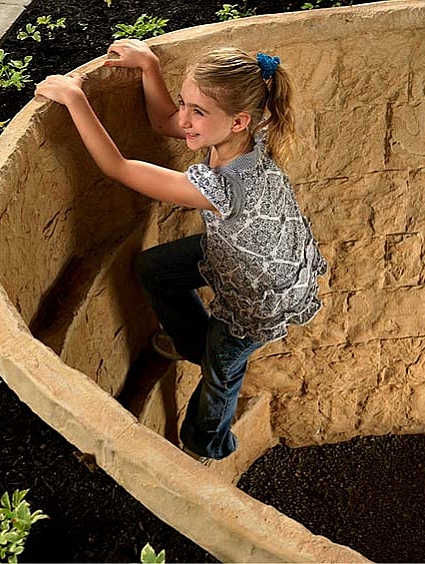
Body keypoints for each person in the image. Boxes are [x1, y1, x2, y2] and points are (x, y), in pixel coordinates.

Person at [35, 39, 327, 462]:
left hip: (262, 296)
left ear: (239, 120)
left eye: (197, 112)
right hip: (241, 251)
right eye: (184, 103)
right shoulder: (249, 130)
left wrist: (76, 100)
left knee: (221, 371)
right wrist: (150, 68)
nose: (184, 120)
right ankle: (192, 341)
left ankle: (204, 445)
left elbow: (118, 168)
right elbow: (165, 122)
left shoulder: (221, 186)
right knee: (155, 269)